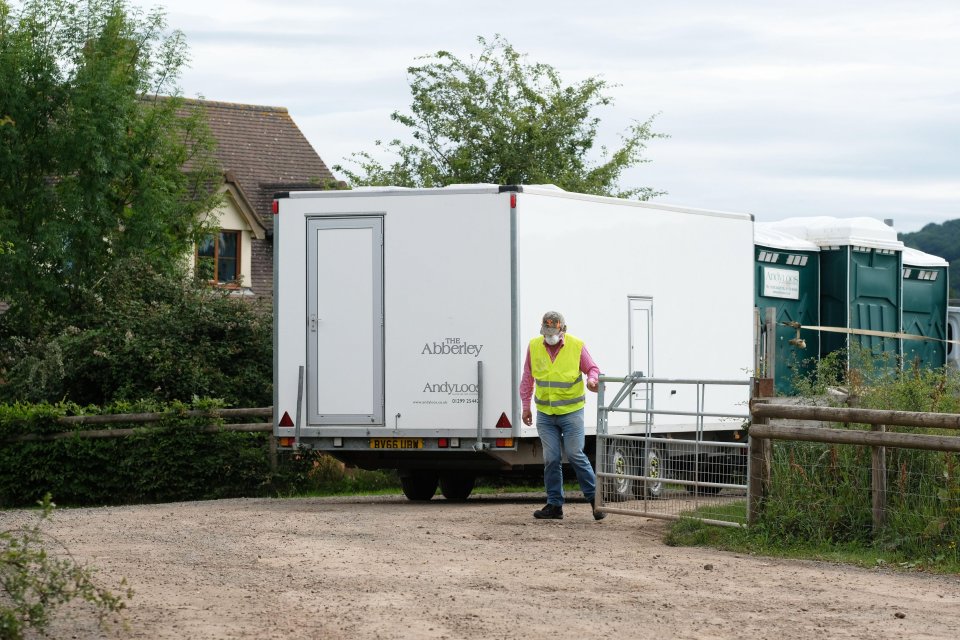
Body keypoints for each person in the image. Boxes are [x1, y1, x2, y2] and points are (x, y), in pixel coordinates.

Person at [520, 311, 605, 521]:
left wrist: (592, 380)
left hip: (571, 412)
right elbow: (528, 378)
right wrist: (525, 406)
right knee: (551, 458)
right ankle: (554, 505)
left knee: (575, 454)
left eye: (553, 332)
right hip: (546, 414)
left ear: (562, 330)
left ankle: (595, 500)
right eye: (546, 332)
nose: (549, 336)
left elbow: (593, 369)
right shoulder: (534, 346)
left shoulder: (576, 346)